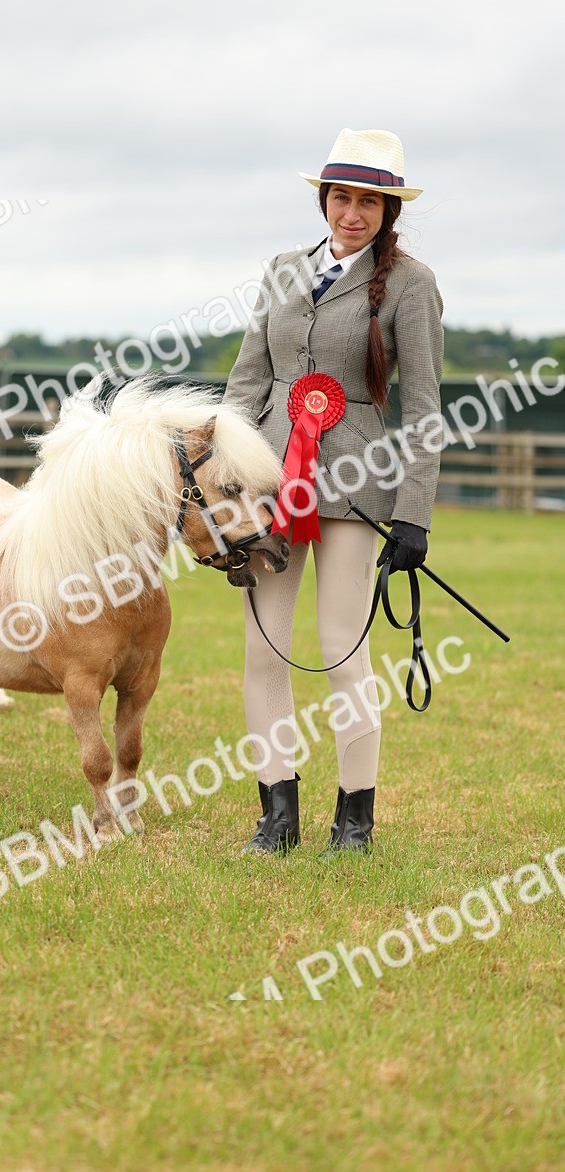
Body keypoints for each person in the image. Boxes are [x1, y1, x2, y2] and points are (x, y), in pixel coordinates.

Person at [222, 128, 443, 855]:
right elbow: (248, 380)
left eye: (368, 201)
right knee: (263, 653)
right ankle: (275, 818)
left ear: (388, 208)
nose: (352, 213)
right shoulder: (285, 269)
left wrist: (413, 516)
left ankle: (355, 823)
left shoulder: (412, 285)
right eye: (341, 197)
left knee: (343, 653)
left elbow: (425, 410)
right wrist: (229, 478)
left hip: (351, 486)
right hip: (267, 483)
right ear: (325, 199)